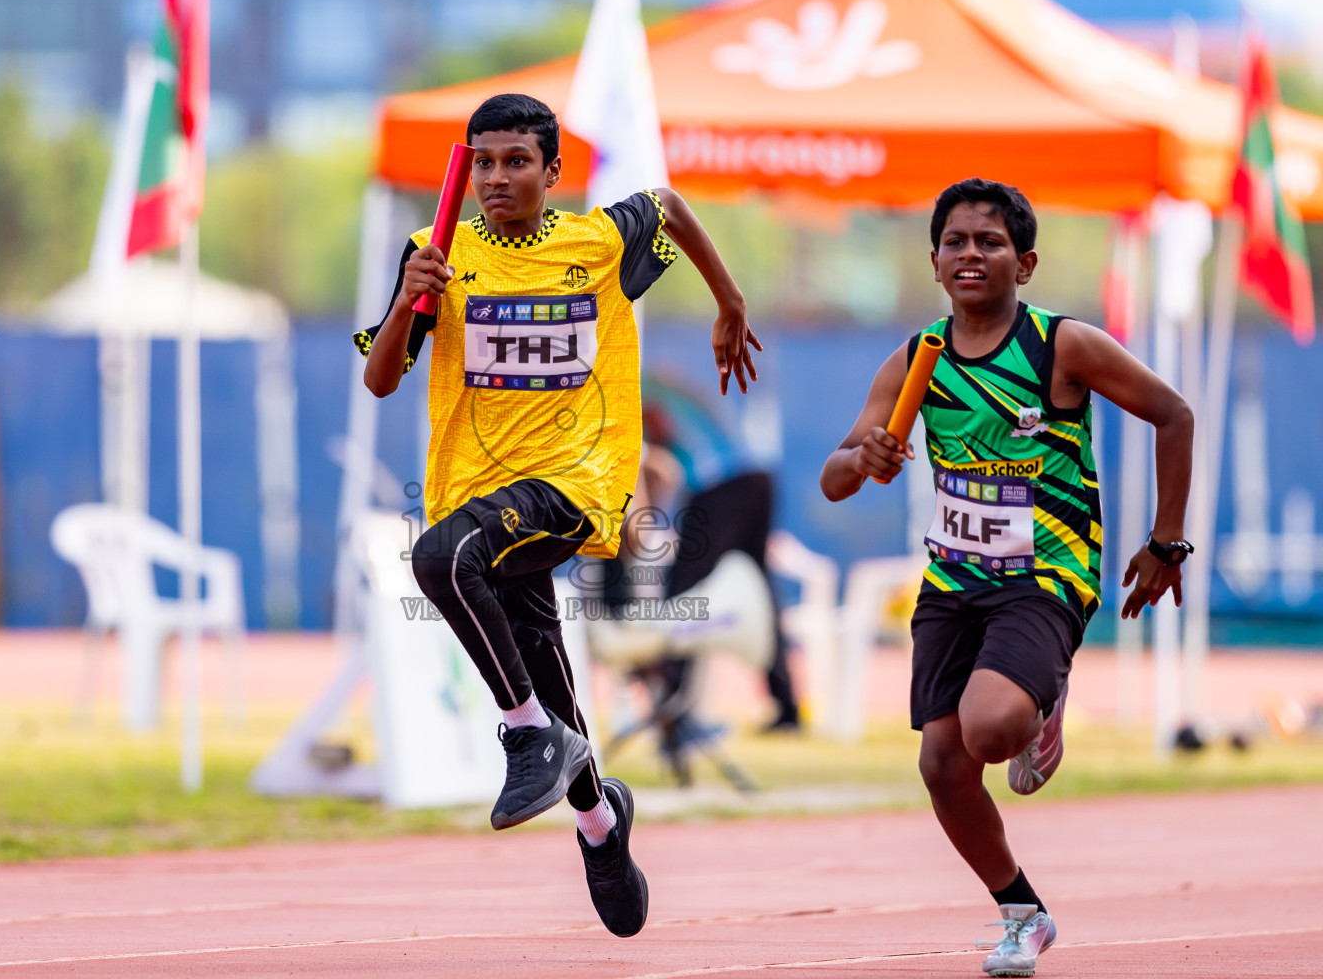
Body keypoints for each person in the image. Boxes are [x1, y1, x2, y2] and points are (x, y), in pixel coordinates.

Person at [355, 93, 761, 938]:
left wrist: (728, 301)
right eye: (485, 164)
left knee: (437, 561)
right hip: (476, 486)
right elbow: (381, 379)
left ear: (552, 171)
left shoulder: (599, 242)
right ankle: (598, 820)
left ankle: (524, 737)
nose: (498, 178)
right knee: (538, 653)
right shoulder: (437, 250)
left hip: (578, 479)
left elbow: (670, 205)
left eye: (516, 162)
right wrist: (406, 305)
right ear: (465, 172)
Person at [819, 178, 1192, 977]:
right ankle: (1022, 913)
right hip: (953, 580)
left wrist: (1167, 541)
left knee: (990, 729)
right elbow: (835, 475)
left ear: (1023, 264)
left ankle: (1038, 702)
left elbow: (1174, 414)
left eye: (989, 243)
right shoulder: (917, 358)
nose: (970, 255)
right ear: (933, 261)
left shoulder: (1064, 347)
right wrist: (866, 456)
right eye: (955, 242)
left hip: (1045, 576)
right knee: (942, 766)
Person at [643, 372, 801, 733]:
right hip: (755, 479)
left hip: (718, 486)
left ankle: (673, 705)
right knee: (761, 592)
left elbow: (658, 452)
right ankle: (787, 707)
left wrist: (650, 515)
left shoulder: (633, 390)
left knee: (681, 589)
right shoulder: (667, 383)